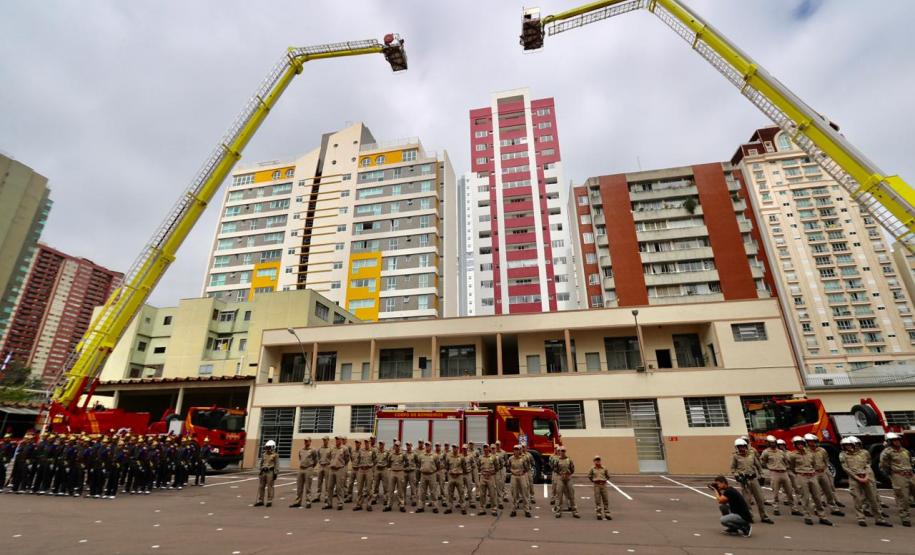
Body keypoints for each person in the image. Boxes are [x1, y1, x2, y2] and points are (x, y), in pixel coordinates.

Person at [840, 436, 891, 527]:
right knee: (857, 499)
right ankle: (861, 518)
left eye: (849, 445)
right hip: (854, 478)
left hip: (866, 477)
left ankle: (879, 519)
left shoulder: (864, 453)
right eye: (845, 445)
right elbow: (846, 468)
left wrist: (867, 476)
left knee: (873, 499)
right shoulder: (843, 455)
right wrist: (857, 477)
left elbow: (868, 464)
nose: (848, 447)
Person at [787, 435, 832, 526]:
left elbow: (814, 464)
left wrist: (813, 472)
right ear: (795, 445)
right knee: (805, 498)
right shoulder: (792, 455)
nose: (800, 445)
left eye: (801, 443)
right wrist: (799, 473)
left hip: (812, 475)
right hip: (801, 476)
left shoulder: (810, 453)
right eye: (798, 444)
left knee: (817, 497)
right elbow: (791, 467)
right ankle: (807, 516)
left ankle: (822, 517)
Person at [730, 438, 773, 524]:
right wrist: (737, 476)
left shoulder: (752, 454)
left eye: (743, 446)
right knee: (747, 501)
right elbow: (733, 468)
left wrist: (761, 474)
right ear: (737, 447)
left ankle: (764, 516)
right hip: (744, 480)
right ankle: (749, 516)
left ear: (746, 446)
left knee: (760, 499)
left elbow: (758, 465)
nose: (742, 448)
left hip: (753, 479)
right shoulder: (735, 456)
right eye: (739, 446)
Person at [759, 435, 801, 516]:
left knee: (789, 491)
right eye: (771, 443)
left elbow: (786, 461)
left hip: (784, 472)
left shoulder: (781, 452)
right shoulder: (766, 452)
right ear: (768, 443)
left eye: (774, 442)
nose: (773, 444)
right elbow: (763, 462)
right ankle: (776, 508)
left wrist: (786, 467)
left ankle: (794, 509)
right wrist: (770, 467)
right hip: (774, 473)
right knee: (775, 493)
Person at [879, 432, 914, 527]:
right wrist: (892, 474)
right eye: (894, 440)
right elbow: (883, 465)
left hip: (910, 474)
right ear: (889, 442)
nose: (897, 441)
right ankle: (905, 517)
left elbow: (910, 461)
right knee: (903, 497)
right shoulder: (887, 452)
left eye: (898, 440)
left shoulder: (904, 451)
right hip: (898, 475)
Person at [806, 434, 845, 516]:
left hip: (823, 472)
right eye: (810, 442)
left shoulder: (822, 450)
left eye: (813, 441)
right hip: (813, 473)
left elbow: (826, 460)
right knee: (815, 492)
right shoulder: (806, 452)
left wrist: (825, 469)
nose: (812, 443)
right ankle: (816, 508)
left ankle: (834, 508)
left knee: (829, 490)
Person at [290, 437, 318, 508]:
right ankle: (298, 502)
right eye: (305, 441)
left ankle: (308, 502)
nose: (306, 442)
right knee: (299, 486)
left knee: (308, 487)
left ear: (310, 441)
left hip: (309, 469)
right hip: (301, 469)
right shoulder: (301, 450)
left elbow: (316, 460)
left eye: (307, 441)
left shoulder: (313, 450)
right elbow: (300, 458)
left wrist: (311, 467)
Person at [552, 446, 579, 518]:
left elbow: (572, 469)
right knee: (559, 495)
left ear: (565, 451)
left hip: (568, 478)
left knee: (571, 495)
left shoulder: (569, 460)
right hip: (560, 478)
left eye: (563, 451)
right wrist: (560, 474)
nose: (562, 452)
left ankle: (575, 511)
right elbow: (555, 469)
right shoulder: (557, 460)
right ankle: (558, 511)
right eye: (561, 451)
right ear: (559, 452)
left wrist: (568, 474)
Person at [324, 436, 349, 510]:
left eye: (338, 439)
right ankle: (329, 503)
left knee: (339, 487)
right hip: (332, 469)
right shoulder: (332, 448)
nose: (337, 441)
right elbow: (328, 457)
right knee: (330, 487)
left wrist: (341, 464)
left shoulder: (345, 449)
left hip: (339, 469)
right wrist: (331, 463)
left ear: (341, 440)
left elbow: (347, 459)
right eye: (336, 439)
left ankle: (340, 503)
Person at [415, 442, 440, 513]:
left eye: (428, 445)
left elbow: (438, 465)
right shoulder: (421, 455)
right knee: (422, 492)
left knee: (433, 491)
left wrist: (433, 471)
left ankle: (435, 507)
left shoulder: (435, 455)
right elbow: (419, 464)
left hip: (432, 475)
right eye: (426, 445)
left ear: (431, 447)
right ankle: (421, 507)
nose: (427, 446)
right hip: (423, 475)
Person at [353, 439, 376, 512]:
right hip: (361, 470)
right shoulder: (361, 451)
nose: (366, 444)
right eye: (365, 442)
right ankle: (359, 504)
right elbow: (358, 459)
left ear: (369, 443)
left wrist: (371, 466)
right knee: (359, 488)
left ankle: (369, 504)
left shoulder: (372, 451)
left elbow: (375, 460)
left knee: (369, 488)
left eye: (367, 442)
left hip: (368, 470)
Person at [477, 444, 500, 516]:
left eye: (486, 447)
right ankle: (482, 509)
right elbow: (478, 466)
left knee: (492, 493)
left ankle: (494, 509)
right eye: (484, 448)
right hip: (483, 477)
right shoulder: (480, 457)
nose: (485, 449)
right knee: (482, 494)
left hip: (491, 477)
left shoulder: (493, 457)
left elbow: (497, 467)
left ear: (489, 448)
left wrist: (492, 472)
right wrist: (483, 473)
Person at [508, 445, 531, 518]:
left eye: (517, 449)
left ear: (519, 450)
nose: (516, 451)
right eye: (515, 449)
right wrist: (513, 472)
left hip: (521, 476)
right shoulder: (510, 459)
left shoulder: (523, 459)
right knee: (514, 494)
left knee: (524, 493)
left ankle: (527, 510)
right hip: (514, 476)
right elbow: (508, 466)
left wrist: (522, 472)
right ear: (513, 451)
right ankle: (513, 510)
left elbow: (527, 468)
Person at [254, 439, 278, 507]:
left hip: (270, 472)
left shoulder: (275, 455)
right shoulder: (264, 454)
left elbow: (276, 465)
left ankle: (269, 500)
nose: (267, 448)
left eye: (269, 447)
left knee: (270, 486)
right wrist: (260, 471)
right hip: (263, 472)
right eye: (267, 447)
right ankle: (261, 500)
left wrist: (275, 473)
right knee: (261, 486)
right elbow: (261, 463)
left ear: (273, 447)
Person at [444, 444, 467, 514]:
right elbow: (446, 466)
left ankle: (463, 507)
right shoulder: (448, 457)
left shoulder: (461, 457)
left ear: (458, 448)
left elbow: (464, 467)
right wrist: (449, 473)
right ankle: (449, 507)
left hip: (459, 477)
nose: (454, 449)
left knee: (461, 492)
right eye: (453, 447)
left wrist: (461, 473)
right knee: (450, 493)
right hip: (451, 476)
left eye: (455, 447)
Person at [387, 441, 408, 512]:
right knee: (391, 489)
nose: (396, 447)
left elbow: (407, 463)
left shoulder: (403, 454)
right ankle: (389, 505)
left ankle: (401, 505)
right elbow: (388, 463)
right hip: (393, 472)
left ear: (400, 446)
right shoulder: (391, 454)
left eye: (398, 446)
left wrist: (401, 468)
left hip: (400, 472)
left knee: (400, 490)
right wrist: (392, 468)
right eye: (395, 445)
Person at [588, 455, 612, 521]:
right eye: (596, 460)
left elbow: (608, 476)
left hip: (603, 485)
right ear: (594, 461)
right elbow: (589, 476)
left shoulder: (604, 468)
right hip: (597, 485)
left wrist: (604, 480)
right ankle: (599, 513)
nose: (598, 461)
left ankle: (607, 513)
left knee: (605, 499)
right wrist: (594, 481)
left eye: (599, 460)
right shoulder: (592, 469)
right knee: (597, 499)